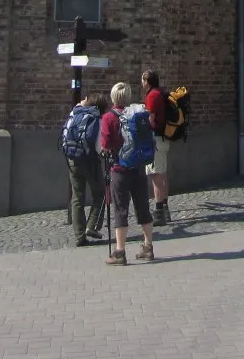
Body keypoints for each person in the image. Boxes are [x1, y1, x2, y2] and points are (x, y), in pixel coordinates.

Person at [101, 81, 154, 264]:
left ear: (113, 97)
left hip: (119, 168)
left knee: (121, 209)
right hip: (138, 166)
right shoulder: (139, 114)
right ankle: (148, 246)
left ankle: (120, 251)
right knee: (143, 207)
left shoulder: (109, 117)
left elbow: (106, 144)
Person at [64, 92, 107, 246]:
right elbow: (99, 146)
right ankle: (92, 226)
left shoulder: (74, 113)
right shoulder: (97, 119)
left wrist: (81, 104)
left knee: (77, 197)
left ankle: (79, 235)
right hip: (90, 161)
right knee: (100, 193)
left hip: (72, 159)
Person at [141, 69, 171, 225]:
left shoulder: (152, 96)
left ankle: (159, 211)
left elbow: (150, 120)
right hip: (163, 138)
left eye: (143, 80)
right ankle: (165, 208)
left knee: (155, 175)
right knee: (162, 173)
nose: (142, 83)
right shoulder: (161, 92)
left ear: (147, 81)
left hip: (155, 139)